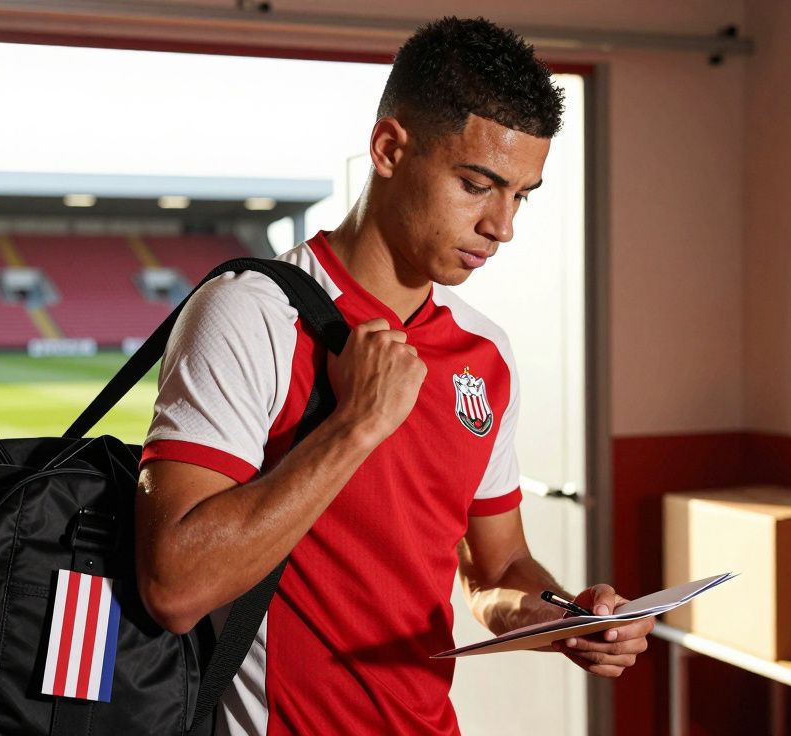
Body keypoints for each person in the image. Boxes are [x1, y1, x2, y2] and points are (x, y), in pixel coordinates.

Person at [134, 16, 652, 735]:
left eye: (521, 195)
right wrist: (356, 425)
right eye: (478, 184)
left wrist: (563, 618)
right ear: (388, 148)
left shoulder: (485, 356)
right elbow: (174, 584)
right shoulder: (250, 312)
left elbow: (497, 573)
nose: (502, 226)